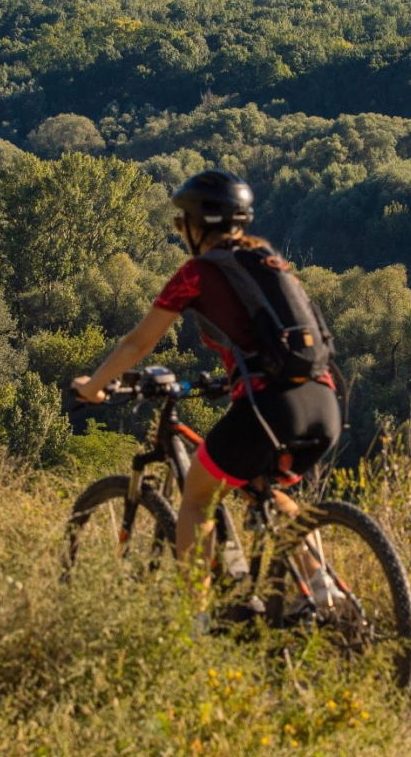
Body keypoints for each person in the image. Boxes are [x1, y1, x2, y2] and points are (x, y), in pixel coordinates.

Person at [73, 170, 342, 603]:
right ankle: (323, 595)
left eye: (181, 223)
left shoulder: (198, 273)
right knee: (265, 492)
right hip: (323, 401)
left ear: (196, 225)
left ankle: (195, 618)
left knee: (197, 500)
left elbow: (138, 343)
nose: (180, 231)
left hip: (269, 408)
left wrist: (94, 386)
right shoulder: (268, 260)